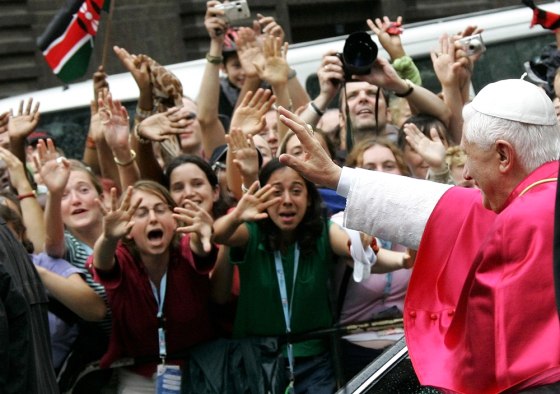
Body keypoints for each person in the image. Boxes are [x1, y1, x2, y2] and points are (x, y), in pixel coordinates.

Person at [276, 78, 560, 392]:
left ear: (504, 156)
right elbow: (449, 208)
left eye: (469, 157)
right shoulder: (539, 197)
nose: (465, 174)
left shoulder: (521, 220)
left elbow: (483, 343)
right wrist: (338, 177)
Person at [213, 158, 409, 393]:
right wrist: (237, 216)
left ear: (308, 198)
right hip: (256, 358)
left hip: (313, 359)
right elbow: (219, 235)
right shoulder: (252, 231)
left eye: (296, 191)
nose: (287, 200)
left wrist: (380, 250)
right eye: (276, 192)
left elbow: (353, 247)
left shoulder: (322, 231)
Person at [89, 180, 218, 392]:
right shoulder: (122, 258)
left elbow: (199, 248)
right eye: (141, 213)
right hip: (139, 376)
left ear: (175, 221)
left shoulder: (184, 250)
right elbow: (102, 262)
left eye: (160, 210)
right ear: (127, 229)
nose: (153, 218)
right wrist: (109, 237)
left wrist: (204, 234)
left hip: (199, 371)